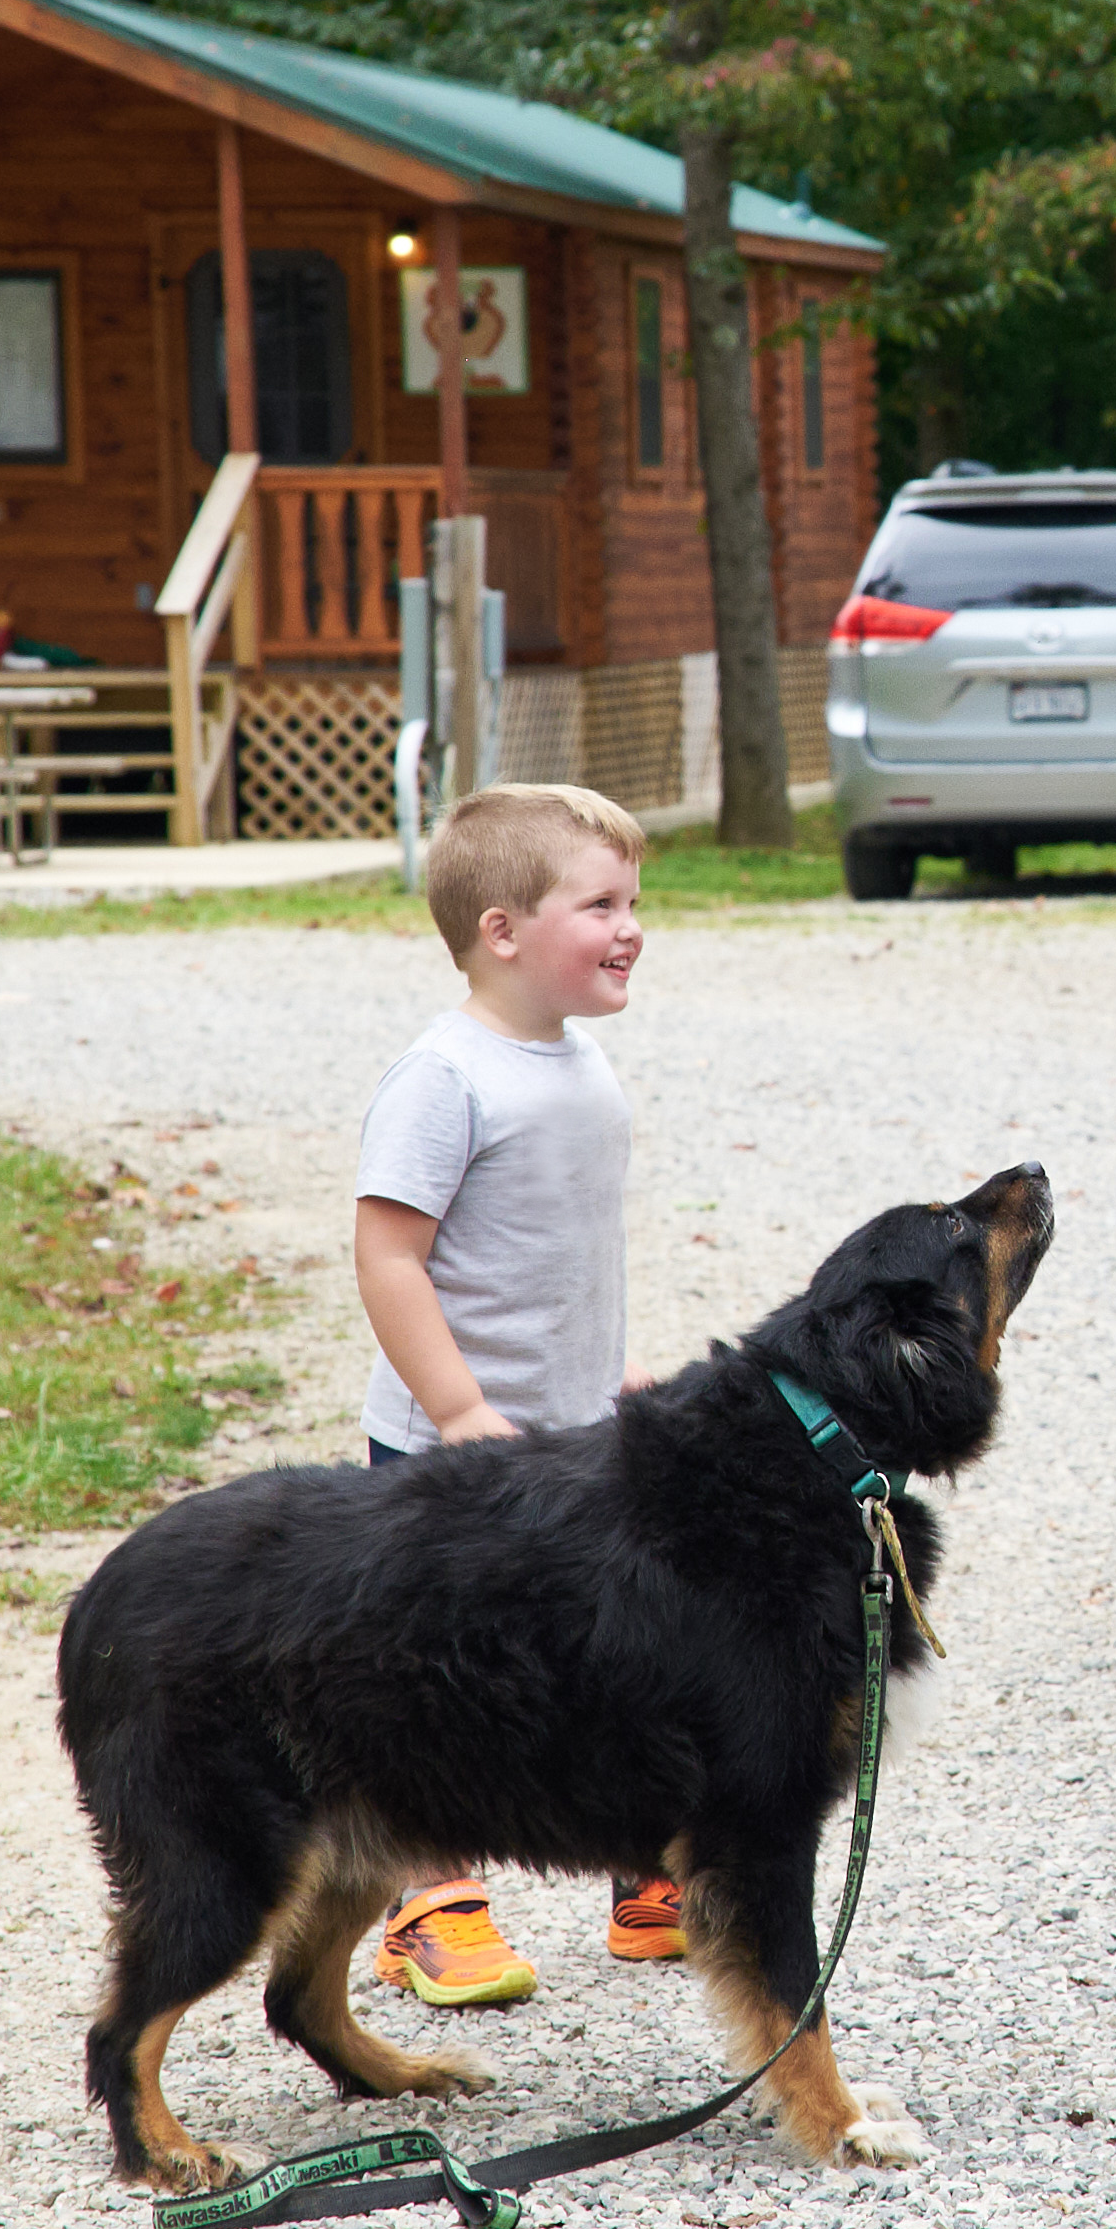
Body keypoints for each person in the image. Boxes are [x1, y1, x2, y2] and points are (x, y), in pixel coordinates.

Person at [351, 781, 683, 2004]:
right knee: (444, 1671)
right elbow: (390, 1253)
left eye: (632, 901)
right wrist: (453, 1410)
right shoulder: (445, 1076)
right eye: (600, 904)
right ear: (503, 930)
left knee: (614, 1651)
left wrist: (611, 1370)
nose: (632, 925)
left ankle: (644, 1868)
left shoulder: (581, 1062)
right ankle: (431, 1896)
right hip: (456, 1448)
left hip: (578, 1433)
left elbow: (562, 1249)